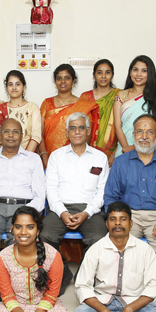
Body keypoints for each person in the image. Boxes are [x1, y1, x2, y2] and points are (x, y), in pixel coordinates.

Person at [73, 202, 156, 312]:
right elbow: (82, 286)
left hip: (134, 303)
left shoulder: (144, 250)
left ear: (131, 223)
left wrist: (129, 309)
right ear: (107, 224)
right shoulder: (96, 249)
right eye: (113, 219)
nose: (118, 223)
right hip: (103, 302)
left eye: (123, 219)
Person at [104, 114, 156, 275]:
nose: (144, 136)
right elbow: (111, 196)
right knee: (117, 248)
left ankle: (148, 282)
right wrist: (119, 219)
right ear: (133, 135)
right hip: (127, 215)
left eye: (150, 132)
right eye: (140, 131)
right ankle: (133, 283)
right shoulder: (121, 162)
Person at [0, 118, 45, 290]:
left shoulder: (33, 159)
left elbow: (40, 197)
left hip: (23, 208)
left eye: (15, 132)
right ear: (0, 135)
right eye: (6, 131)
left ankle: (8, 278)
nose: (11, 135)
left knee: (19, 240)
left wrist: (25, 216)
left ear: (22, 135)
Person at [40, 112, 109, 292]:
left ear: (88, 131)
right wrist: (62, 212)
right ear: (67, 132)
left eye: (81, 128)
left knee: (99, 238)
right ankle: (62, 273)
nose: (77, 132)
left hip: (90, 210)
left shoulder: (100, 157)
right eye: (73, 128)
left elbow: (103, 191)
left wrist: (87, 213)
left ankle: (83, 277)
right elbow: (51, 189)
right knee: (45, 235)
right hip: (61, 208)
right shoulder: (56, 156)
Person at [38, 64, 100, 168]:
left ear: (73, 81)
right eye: (59, 78)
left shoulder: (83, 106)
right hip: (49, 158)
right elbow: (39, 133)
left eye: (67, 78)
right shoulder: (47, 103)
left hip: (76, 160)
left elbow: (87, 136)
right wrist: (45, 157)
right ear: (55, 81)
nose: (63, 81)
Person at [113, 55, 156, 157]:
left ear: (150, 74)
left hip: (150, 150)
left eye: (144, 70)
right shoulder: (121, 96)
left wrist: (134, 147)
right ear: (130, 72)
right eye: (135, 70)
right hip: (124, 150)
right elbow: (118, 126)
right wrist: (126, 148)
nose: (138, 74)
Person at [77, 59, 121, 165]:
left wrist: (115, 153)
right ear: (94, 75)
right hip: (87, 151)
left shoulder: (120, 95)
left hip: (112, 152)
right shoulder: (85, 97)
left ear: (112, 75)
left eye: (107, 72)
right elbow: (79, 125)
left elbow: (125, 126)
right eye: (99, 72)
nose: (103, 76)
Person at [0, 70, 42, 153]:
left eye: (18, 84)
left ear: (24, 87)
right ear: (6, 88)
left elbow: (36, 135)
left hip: (30, 155)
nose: (14, 87)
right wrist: (11, 155)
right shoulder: (0, 110)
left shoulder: (32, 107)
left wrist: (25, 156)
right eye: (10, 84)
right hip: (7, 156)